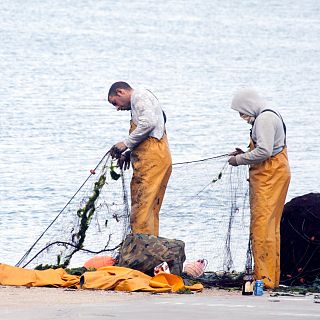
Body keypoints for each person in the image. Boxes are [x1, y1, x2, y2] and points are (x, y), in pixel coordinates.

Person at [228, 88, 291, 289]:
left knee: (262, 227)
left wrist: (239, 160)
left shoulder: (263, 119)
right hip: (277, 173)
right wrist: (246, 152)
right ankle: (271, 278)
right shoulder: (271, 114)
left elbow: (264, 152)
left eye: (241, 112)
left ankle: (263, 279)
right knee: (271, 228)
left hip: (270, 177)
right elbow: (268, 148)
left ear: (249, 105)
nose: (242, 117)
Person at [107, 81, 172, 237]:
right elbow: (159, 120)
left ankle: (141, 251)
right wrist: (131, 153)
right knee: (150, 208)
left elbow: (148, 123)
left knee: (141, 208)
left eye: (115, 102)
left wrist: (126, 144)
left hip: (152, 159)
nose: (117, 108)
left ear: (120, 92)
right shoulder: (143, 99)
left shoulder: (140, 96)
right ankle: (152, 248)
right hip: (157, 157)